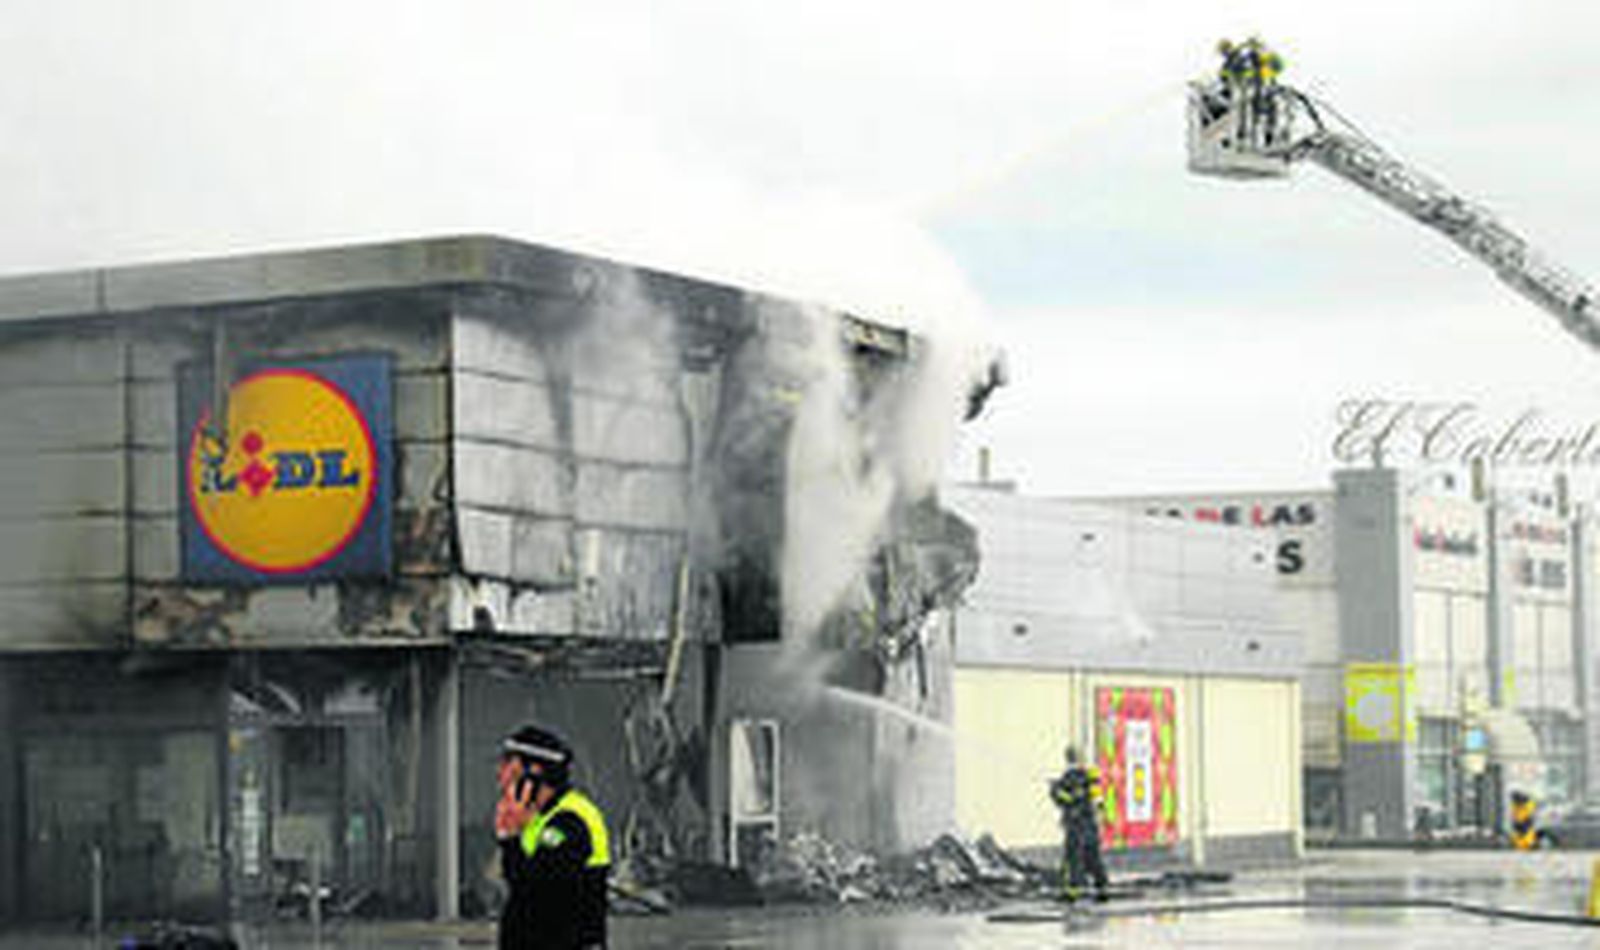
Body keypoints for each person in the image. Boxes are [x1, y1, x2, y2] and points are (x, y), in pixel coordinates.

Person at [495, 725, 612, 949]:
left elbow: (537, 893)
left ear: (535, 771)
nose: (500, 772)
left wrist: (510, 838)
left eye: (509, 763)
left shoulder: (570, 821)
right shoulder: (536, 819)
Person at [1049, 745, 1109, 902]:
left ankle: (1072, 892)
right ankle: (1102, 889)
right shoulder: (1090, 777)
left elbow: (1063, 800)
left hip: (1075, 825)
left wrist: (1054, 789)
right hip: (1090, 824)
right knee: (1093, 857)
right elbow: (1098, 800)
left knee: (1073, 858)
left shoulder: (1067, 778)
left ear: (1067, 758)